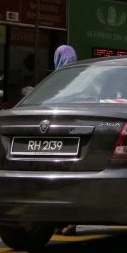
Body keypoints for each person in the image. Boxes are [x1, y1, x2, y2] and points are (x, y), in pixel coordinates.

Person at [52, 44, 78, 236]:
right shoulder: (82, 77)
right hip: (73, 138)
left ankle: (57, 220)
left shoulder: (54, 80)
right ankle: (69, 221)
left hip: (53, 138)